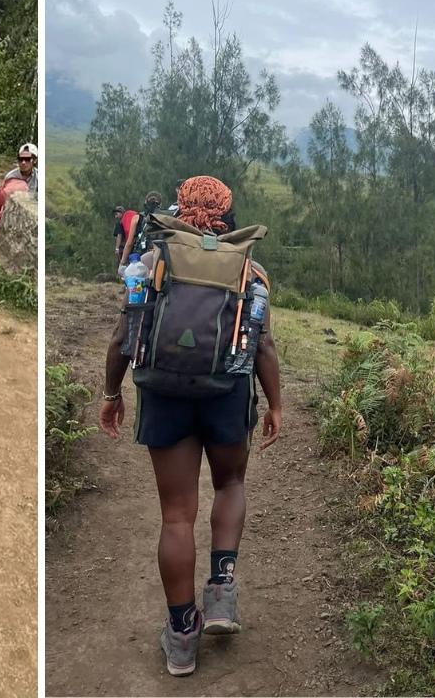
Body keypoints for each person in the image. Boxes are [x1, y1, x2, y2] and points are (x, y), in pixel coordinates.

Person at [98, 175, 283, 677]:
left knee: (176, 516)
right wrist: (276, 404)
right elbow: (262, 345)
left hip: (163, 393)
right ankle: (221, 596)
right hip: (227, 393)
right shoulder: (252, 270)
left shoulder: (150, 261)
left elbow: (122, 338)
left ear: (182, 207)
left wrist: (113, 394)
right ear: (226, 213)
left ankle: (182, 637)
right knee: (231, 483)